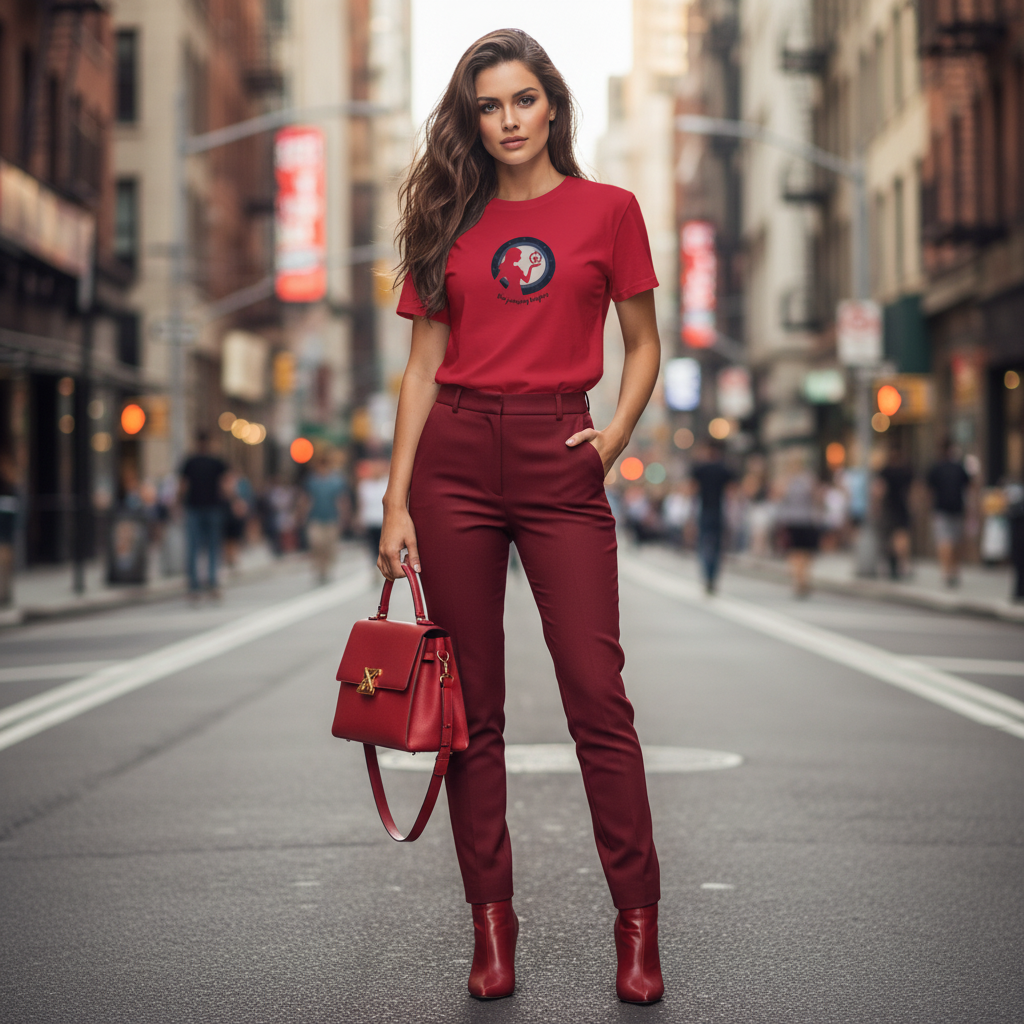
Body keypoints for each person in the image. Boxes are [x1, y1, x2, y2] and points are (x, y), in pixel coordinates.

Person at [377, 30, 663, 1005]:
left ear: (553, 107)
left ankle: (637, 928)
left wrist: (616, 433)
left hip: (559, 454)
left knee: (598, 698)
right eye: (489, 105)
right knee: (473, 717)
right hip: (451, 463)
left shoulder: (609, 211)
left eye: (522, 101)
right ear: (474, 117)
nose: (506, 120)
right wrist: (394, 498)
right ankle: (491, 931)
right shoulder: (448, 219)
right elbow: (419, 368)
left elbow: (642, 343)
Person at [179, 431, 228, 600]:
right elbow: (225, 485)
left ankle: (194, 587)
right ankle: (212, 583)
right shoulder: (217, 462)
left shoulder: (190, 462)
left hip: (194, 508)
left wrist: (177, 504)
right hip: (213, 508)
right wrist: (234, 501)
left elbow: (183, 486)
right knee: (213, 548)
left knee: (194, 548)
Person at [690, 440, 736, 594]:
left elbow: (692, 490)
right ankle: (713, 577)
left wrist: (690, 514)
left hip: (704, 510)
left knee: (704, 545)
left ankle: (707, 575)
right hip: (718, 510)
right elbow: (731, 492)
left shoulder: (699, 468)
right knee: (717, 546)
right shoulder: (724, 469)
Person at [774, 456, 823, 598]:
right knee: (796, 553)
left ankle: (801, 580)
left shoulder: (805, 479)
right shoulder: (789, 480)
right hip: (794, 521)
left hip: (804, 520)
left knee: (803, 553)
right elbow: (778, 496)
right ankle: (800, 580)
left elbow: (817, 497)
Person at [926, 439, 972, 587]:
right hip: (957, 508)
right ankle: (955, 570)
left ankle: (946, 571)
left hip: (941, 509)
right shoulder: (959, 467)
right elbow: (969, 487)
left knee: (944, 540)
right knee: (956, 540)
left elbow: (929, 490)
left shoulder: (936, 467)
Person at [303, 452, 347, 584]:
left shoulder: (336, 481)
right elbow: (307, 499)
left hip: (331, 518)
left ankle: (326, 568)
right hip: (315, 517)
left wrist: (343, 516)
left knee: (329, 545)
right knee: (316, 543)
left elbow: (341, 500)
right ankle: (319, 566)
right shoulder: (311, 481)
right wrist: (303, 515)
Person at [878, 446, 914, 580]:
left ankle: (896, 564)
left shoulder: (886, 471)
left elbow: (879, 490)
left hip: (890, 508)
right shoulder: (906, 471)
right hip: (901, 507)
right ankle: (903, 564)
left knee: (892, 537)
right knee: (902, 536)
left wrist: (876, 506)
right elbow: (913, 491)